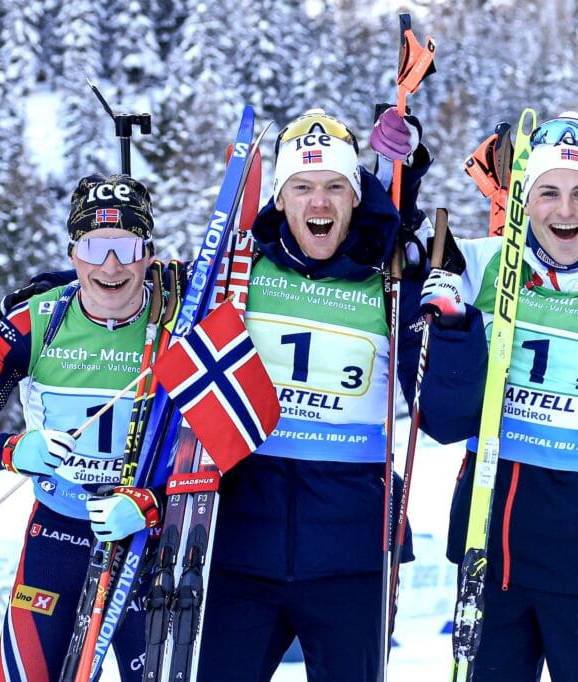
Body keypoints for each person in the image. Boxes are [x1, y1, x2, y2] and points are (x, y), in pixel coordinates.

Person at [408, 113, 578, 682]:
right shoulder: (483, 267)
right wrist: (405, 168)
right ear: (524, 204)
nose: (565, 210)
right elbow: (440, 414)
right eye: (549, 193)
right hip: (489, 547)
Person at [196, 106, 429, 682]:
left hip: (353, 552)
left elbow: (443, 404)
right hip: (240, 546)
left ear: (356, 196)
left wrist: (410, 169)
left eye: (334, 187)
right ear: (280, 199)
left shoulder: (390, 276)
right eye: (302, 187)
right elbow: (146, 298)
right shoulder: (239, 273)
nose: (318, 202)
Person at [0, 174, 168, 681]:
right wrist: (10, 450)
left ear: (148, 254)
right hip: (57, 535)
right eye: (94, 246)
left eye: (127, 246)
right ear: (73, 253)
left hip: (145, 542)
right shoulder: (35, 322)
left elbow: (217, 449)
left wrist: (151, 502)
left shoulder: (176, 321)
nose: (110, 266)